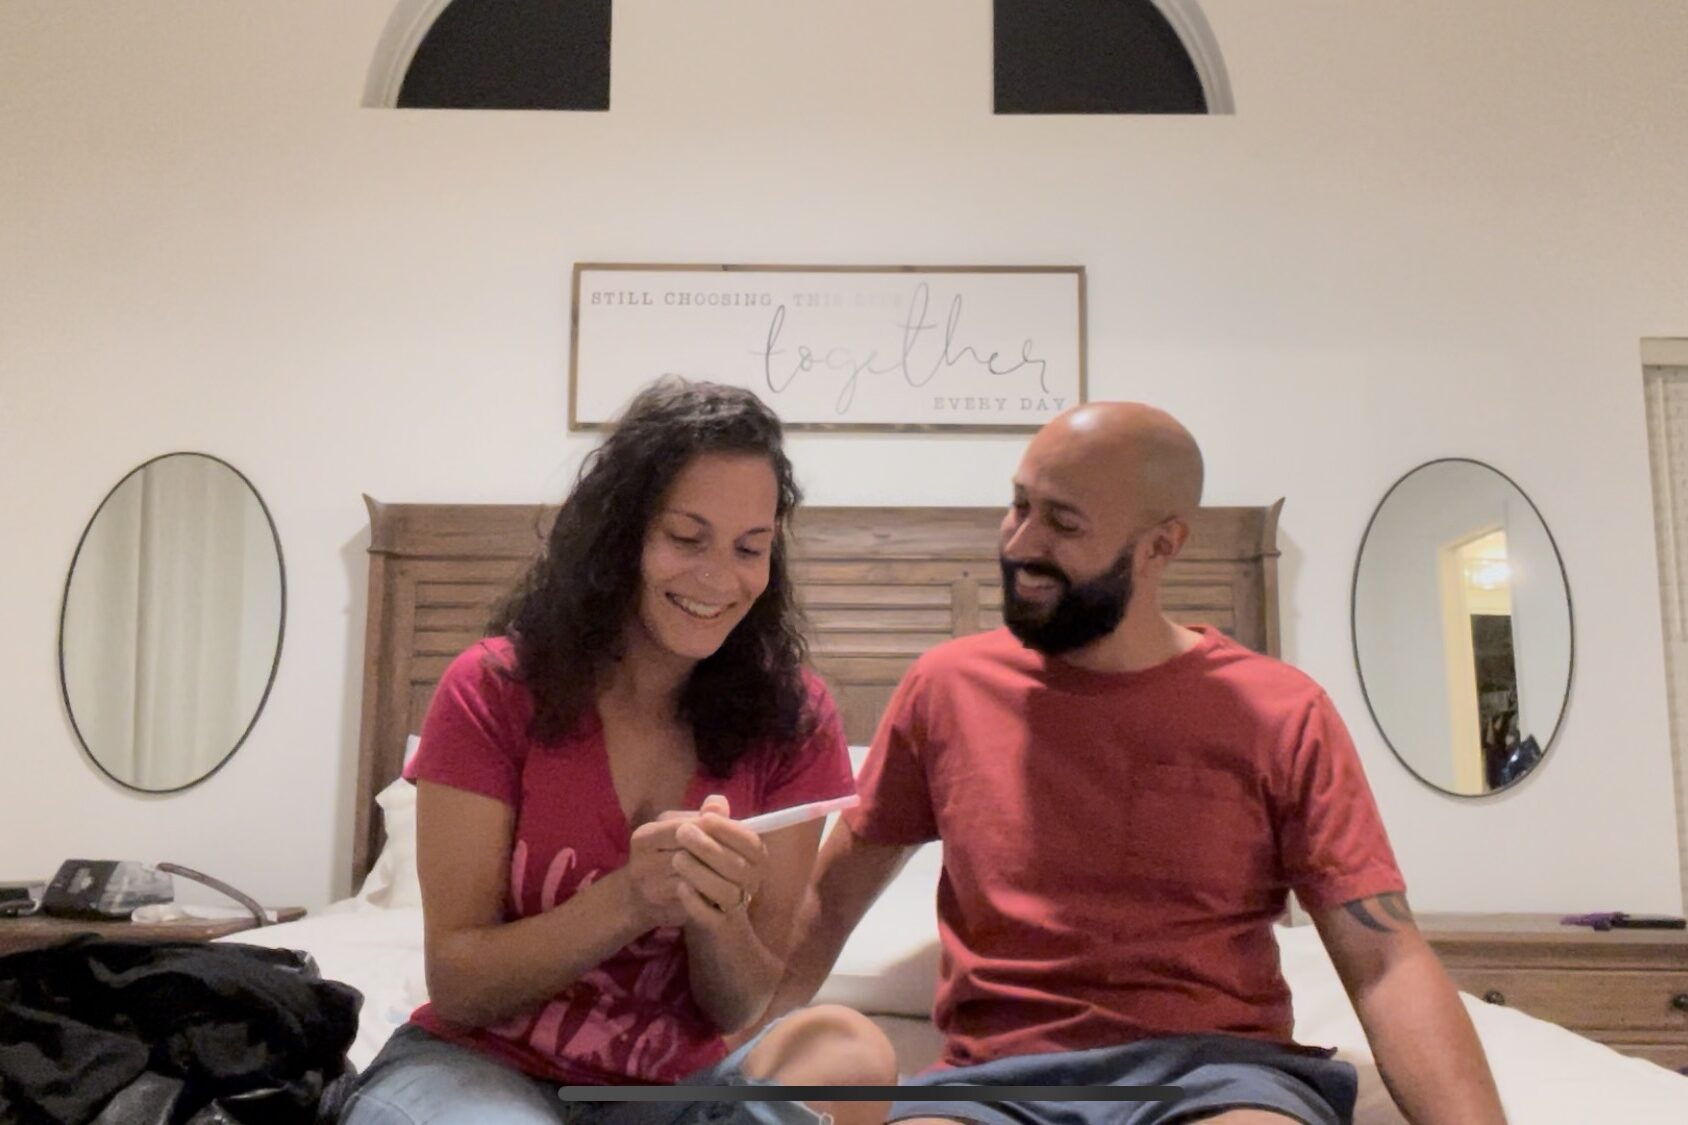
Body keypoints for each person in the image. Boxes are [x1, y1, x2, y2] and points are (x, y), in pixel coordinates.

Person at [762, 403, 1506, 1124]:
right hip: (996, 1081)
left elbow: (1384, 961)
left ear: (1161, 545)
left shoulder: (1281, 712)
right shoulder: (944, 690)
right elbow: (832, 898)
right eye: (1018, 504)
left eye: (1062, 521)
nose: (1021, 541)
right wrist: (722, 1055)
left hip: (1220, 1075)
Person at [343, 378, 896, 1125]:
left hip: (669, 1094)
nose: (717, 577)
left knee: (849, 1049)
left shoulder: (794, 720)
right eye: (685, 537)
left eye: (749, 548)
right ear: (622, 534)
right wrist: (632, 896)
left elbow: (742, 1004)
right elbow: (462, 984)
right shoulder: (494, 688)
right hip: (483, 1067)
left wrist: (716, 912)